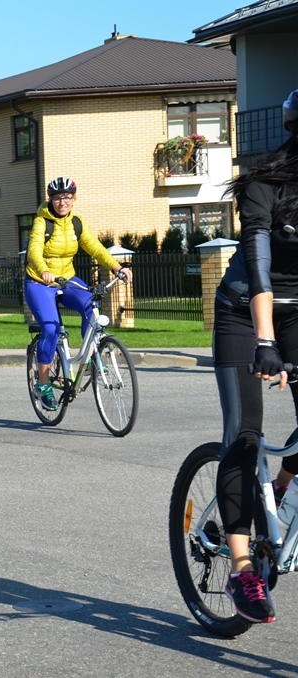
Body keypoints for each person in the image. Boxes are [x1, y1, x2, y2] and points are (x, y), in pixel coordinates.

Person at [211, 89, 298, 625]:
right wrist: (267, 344)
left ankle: (282, 488)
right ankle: (242, 566)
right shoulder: (267, 185)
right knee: (245, 433)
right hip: (246, 312)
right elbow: (259, 264)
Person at [24, 177, 133, 411]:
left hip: (67, 278)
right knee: (51, 328)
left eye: (67, 197)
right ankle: (43, 385)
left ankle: (92, 354)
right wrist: (43, 271)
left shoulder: (77, 223)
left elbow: (94, 247)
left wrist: (116, 267)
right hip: (40, 281)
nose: (62, 202)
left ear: (73, 200)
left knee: (90, 306)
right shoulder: (42, 222)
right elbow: (34, 250)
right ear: (50, 200)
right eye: (57, 198)